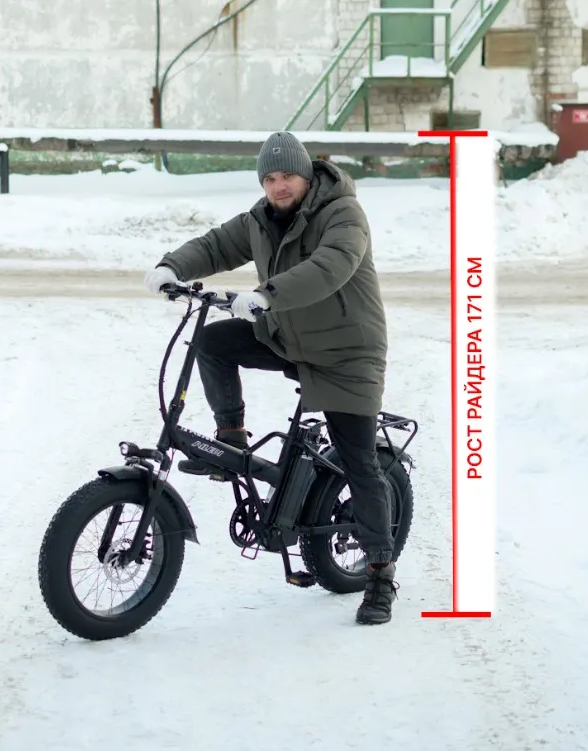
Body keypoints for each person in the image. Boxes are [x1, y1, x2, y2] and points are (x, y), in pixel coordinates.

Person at [143, 131, 399, 626]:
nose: (279, 187)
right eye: (270, 179)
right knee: (212, 342)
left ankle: (380, 573)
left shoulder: (344, 214)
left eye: (288, 177)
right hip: (289, 337)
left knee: (359, 462)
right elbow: (217, 245)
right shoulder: (261, 219)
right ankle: (231, 441)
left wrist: (266, 295)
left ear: (307, 175)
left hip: (347, 354)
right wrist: (171, 266)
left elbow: (330, 266)